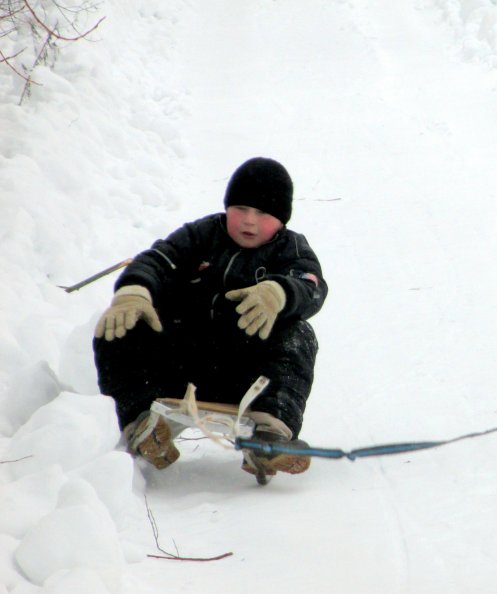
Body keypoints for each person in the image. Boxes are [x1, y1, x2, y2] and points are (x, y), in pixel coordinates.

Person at [93, 157, 327, 480]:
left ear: (282, 220)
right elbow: (159, 258)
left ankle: (270, 435)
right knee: (120, 324)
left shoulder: (291, 248)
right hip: (181, 366)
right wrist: (135, 290)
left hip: (246, 377)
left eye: (263, 213)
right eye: (241, 209)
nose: (249, 221)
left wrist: (279, 293)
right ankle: (143, 425)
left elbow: (310, 284)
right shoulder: (203, 235)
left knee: (299, 335)